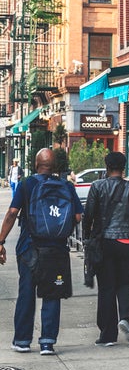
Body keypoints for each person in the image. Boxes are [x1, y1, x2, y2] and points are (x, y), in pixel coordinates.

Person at [0, 148, 83, 355]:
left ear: (36, 165)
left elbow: (12, 213)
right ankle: (47, 342)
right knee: (52, 294)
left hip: (29, 248)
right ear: (54, 167)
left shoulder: (27, 184)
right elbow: (78, 217)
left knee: (26, 293)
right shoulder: (66, 186)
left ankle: (22, 341)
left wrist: (1, 240)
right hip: (56, 250)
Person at [83, 151, 129, 346]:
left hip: (104, 243)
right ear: (123, 168)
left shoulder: (97, 187)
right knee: (126, 283)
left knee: (106, 287)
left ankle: (107, 334)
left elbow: (88, 216)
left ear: (106, 167)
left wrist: (87, 240)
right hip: (128, 242)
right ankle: (126, 318)